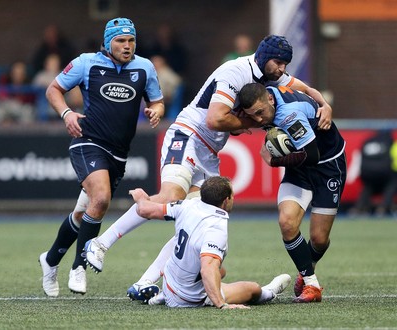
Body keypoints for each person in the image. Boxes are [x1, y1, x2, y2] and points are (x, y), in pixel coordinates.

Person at [85, 34, 334, 302]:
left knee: (198, 222)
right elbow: (215, 120)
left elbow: (305, 89)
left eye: (286, 64)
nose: (283, 69)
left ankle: (145, 282)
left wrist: (324, 105)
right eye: (279, 62)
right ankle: (100, 243)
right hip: (189, 136)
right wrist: (254, 123)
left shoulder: (270, 75)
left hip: (210, 151)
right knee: (171, 197)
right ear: (263, 57)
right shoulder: (236, 72)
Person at [38, 17, 164, 297]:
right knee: (102, 198)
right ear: (108, 42)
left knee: (85, 213)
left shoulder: (144, 68)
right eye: (121, 41)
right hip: (87, 141)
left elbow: (157, 100)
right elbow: (53, 89)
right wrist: (67, 113)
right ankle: (79, 266)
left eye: (131, 40)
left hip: (119, 153)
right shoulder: (86, 63)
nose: (127, 46)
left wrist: (157, 110)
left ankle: (50, 260)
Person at [238, 82, 346, 303]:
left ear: (270, 99)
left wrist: (274, 160)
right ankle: (311, 284)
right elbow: (305, 88)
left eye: (260, 113)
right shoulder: (273, 87)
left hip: (327, 166)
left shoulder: (289, 115)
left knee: (319, 239)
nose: (258, 120)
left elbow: (312, 155)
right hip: (300, 169)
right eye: (252, 116)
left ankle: (308, 266)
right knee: (287, 223)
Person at [129, 176, 291, 308]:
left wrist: (140, 198)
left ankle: (164, 295)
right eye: (232, 195)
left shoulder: (187, 205)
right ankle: (269, 292)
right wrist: (221, 304)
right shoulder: (216, 228)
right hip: (187, 299)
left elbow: (145, 210)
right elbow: (207, 268)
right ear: (226, 200)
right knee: (252, 289)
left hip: (169, 282)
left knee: (221, 272)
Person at [349, 130, 397, 216]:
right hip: (384, 172)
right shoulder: (390, 141)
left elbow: (358, 158)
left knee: (368, 185)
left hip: (367, 173)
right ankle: (384, 207)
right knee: (393, 182)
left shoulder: (368, 141)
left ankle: (359, 207)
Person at [0, 60, 36, 125]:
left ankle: (24, 134)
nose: (18, 74)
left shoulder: (29, 84)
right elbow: (0, 96)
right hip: (5, 106)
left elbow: (30, 102)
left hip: (22, 109)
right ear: (11, 73)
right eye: (16, 72)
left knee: (28, 111)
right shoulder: (4, 81)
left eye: (21, 72)